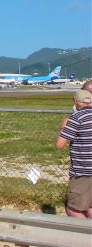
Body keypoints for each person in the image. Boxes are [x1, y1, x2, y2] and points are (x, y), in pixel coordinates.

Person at [56, 89, 92, 218]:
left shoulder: (76, 118)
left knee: (74, 210)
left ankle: (84, 235)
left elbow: (59, 145)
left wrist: (63, 127)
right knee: (89, 207)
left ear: (77, 103)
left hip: (82, 171)